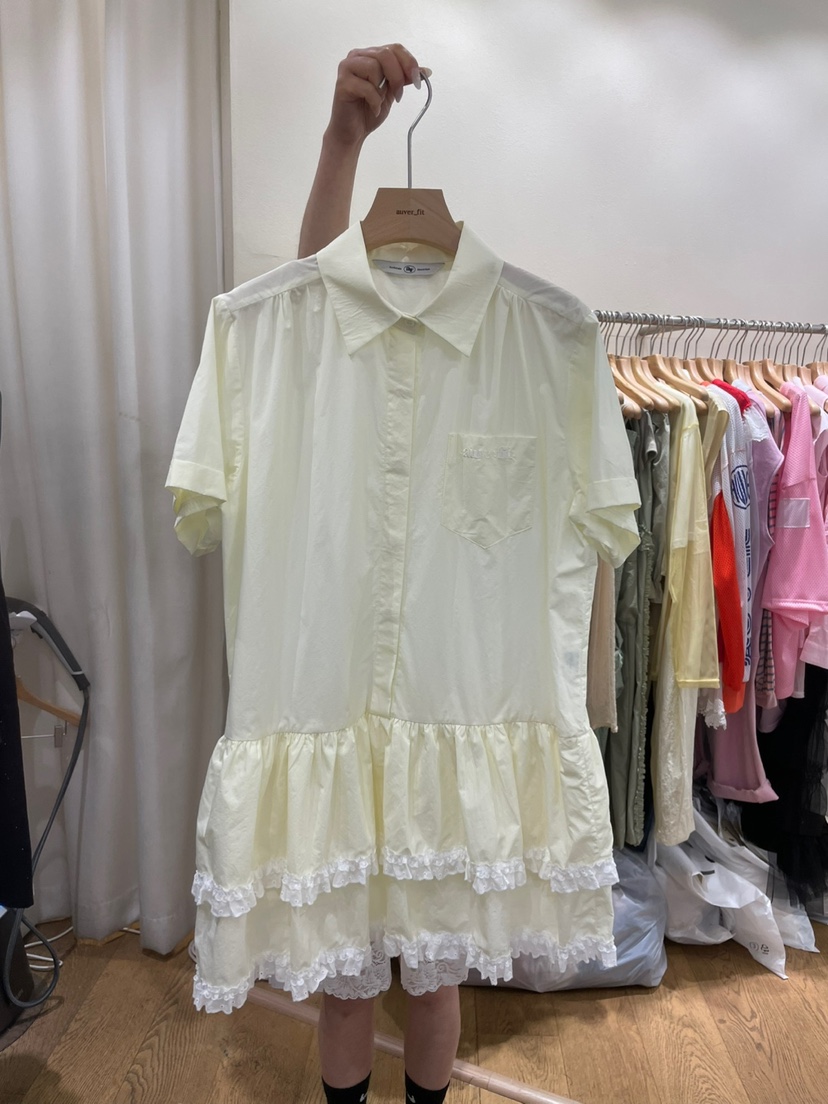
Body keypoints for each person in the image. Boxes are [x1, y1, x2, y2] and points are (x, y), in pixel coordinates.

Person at [298, 43, 458, 1104]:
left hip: (449, 712)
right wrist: (342, 142)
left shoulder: (512, 336)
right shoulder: (325, 328)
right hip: (341, 701)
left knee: (435, 976)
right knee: (348, 982)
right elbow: (299, 299)